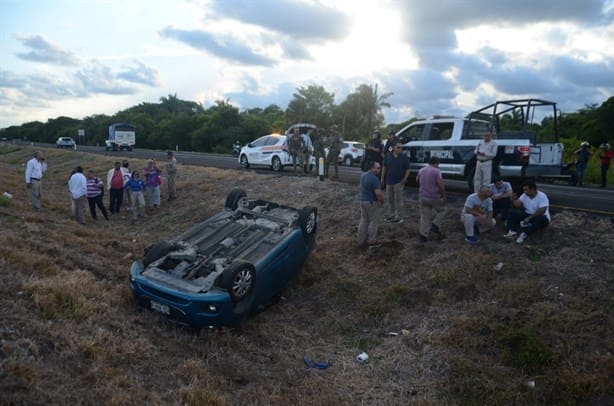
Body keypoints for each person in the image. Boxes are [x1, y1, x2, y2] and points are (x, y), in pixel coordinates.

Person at [504, 179, 550, 244]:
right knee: (512, 213)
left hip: (539, 216)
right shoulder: (524, 195)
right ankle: (512, 232)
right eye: (524, 190)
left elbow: (542, 210)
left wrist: (529, 218)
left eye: (526, 190)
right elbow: (517, 205)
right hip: (528, 215)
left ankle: (524, 234)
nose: (525, 191)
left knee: (542, 219)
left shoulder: (542, 196)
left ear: (533, 189)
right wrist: (513, 199)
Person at [416, 156, 446, 243]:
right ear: (436, 163)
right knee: (442, 210)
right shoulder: (437, 171)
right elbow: (440, 185)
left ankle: (423, 236)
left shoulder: (422, 170)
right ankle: (435, 224)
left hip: (422, 196)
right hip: (434, 196)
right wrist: (443, 196)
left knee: (425, 216)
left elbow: (417, 180)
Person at [381, 141, 410, 223]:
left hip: (399, 181)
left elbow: (408, 169)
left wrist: (405, 178)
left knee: (398, 199)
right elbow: (384, 167)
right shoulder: (388, 156)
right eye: (398, 147)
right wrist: (382, 178)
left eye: (401, 147)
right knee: (390, 199)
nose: (400, 149)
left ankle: (399, 217)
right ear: (393, 148)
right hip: (389, 181)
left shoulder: (404, 157)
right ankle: (392, 215)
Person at [357, 161, 384, 249]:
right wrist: (382, 201)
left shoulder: (363, 175)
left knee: (364, 221)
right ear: (372, 168)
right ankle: (372, 241)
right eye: (378, 168)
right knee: (374, 222)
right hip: (372, 202)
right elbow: (378, 194)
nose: (379, 170)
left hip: (363, 200)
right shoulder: (374, 179)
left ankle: (361, 241)